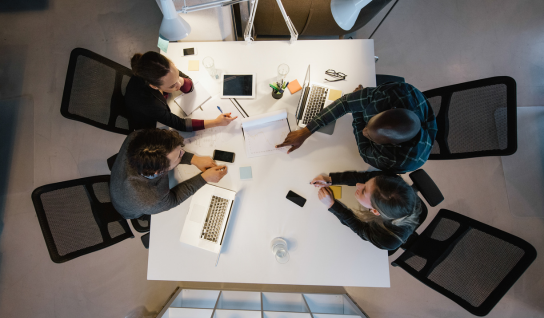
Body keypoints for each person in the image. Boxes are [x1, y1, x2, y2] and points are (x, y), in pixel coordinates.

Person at [276, 82, 437, 173]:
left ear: (391, 145)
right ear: (389, 109)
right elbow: (345, 103)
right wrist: (306, 131)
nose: (364, 132)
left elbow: (365, 152)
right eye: (371, 122)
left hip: (408, 154)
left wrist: (358, 114)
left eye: (371, 137)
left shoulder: (398, 160)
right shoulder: (397, 93)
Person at [110, 128, 228, 219]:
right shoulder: (151, 200)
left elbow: (168, 152)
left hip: (120, 180)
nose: (183, 153)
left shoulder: (136, 137)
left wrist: (194, 159)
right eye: (179, 156)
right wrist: (204, 178)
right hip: (130, 208)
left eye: (180, 150)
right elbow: (173, 199)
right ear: (160, 171)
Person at [125, 51, 237, 131]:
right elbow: (180, 124)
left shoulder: (162, 68)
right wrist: (216, 122)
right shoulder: (147, 103)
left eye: (177, 75)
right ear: (154, 86)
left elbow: (189, 87)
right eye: (172, 85)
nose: (178, 85)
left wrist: (177, 81)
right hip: (149, 124)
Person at [311, 170, 422, 250]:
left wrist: (332, 205)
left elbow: (361, 230)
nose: (358, 185)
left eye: (364, 191)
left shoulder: (388, 240)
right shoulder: (391, 181)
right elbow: (366, 176)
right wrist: (331, 180)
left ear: (375, 211)